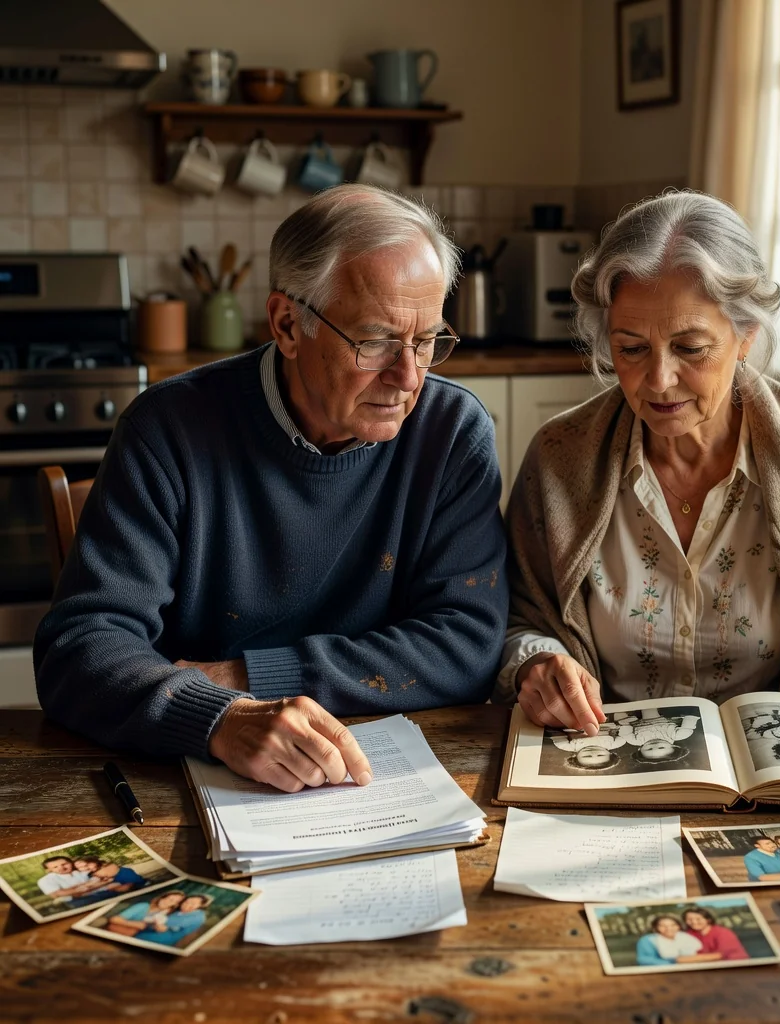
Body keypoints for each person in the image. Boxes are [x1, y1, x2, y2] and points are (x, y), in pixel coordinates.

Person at [35, 184, 508, 793]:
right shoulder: (168, 429)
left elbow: (467, 643)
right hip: (190, 776)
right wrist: (218, 719)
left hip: (379, 779)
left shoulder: (450, 432)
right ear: (288, 324)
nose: (407, 376)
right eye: (376, 341)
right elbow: (80, 648)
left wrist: (242, 678)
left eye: (427, 341)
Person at [497, 190, 780, 781]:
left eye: (690, 348)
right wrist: (536, 663)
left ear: (747, 333)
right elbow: (514, 615)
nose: (659, 379)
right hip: (611, 777)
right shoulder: (559, 460)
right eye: (631, 348)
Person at [135, 892, 212, 946]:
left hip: (159, 941)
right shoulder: (178, 912)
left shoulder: (198, 916)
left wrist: (156, 921)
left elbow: (168, 922)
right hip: (148, 934)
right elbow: (156, 922)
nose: (187, 904)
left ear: (201, 906)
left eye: (193, 903)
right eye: (187, 901)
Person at [550, 719, 627, 770]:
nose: (593, 753)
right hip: (605, 721)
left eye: (586, 756)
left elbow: (557, 735)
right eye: (600, 755)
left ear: (575, 756)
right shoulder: (614, 744)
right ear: (610, 754)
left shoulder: (570, 747)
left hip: (576, 723)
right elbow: (625, 733)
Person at [107, 890, 186, 937]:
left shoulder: (165, 916)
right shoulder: (143, 906)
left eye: (172, 901)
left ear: (175, 905)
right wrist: (136, 925)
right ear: (162, 897)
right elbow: (114, 919)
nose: (166, 901)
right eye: (167, 898)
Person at [635, 914, 704, 966]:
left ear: (679, 926)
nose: (668, 929)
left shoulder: (685, 937)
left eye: (673, 925)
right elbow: (643, 960)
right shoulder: (648, 940)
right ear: (656, 927)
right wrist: (673, 962)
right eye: (662, 926)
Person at [683, 907, 749, 960]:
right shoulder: (689, 934)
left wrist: (683, 959)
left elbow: (720, 955)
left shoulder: (723, 932)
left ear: (708, 920)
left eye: (698, 919)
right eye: (689, 919)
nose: (694, 922)